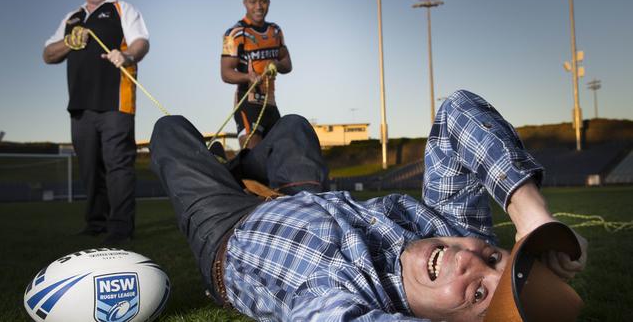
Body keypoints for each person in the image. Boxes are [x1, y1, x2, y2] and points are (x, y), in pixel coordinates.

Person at [149, 90, 588, 321]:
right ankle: (243, 165)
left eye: (478, 294)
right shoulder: (450, 229)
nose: (468, 260)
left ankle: (227, 172)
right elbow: (459, 111)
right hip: (304, 197)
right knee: (294, 127)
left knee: (169, 130)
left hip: (227, 230)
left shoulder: (348, 300)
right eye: (494, 256)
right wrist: (533, 220)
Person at [43, 0, 150, 244]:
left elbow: (141, 42)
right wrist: (68, 42)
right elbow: (47, 54)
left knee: (118, 165)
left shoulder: (122, 9)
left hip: (117, 102)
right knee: (90, 168)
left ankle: (120, 228)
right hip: (80, 105)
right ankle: (95, 223)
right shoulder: (72, 18)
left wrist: (127, 56)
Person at [221, 0, 293, 149]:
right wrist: (247, 76)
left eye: (263, 1)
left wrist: (276, 64)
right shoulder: (235, 33)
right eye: (253, 2)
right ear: (245, 3)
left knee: (279, 158)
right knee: (254, 159)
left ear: (268, 2)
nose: (258, 6)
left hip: (271, 105)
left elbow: (287, 63)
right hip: (248, 103)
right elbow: (225, 72)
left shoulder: (275, 31)